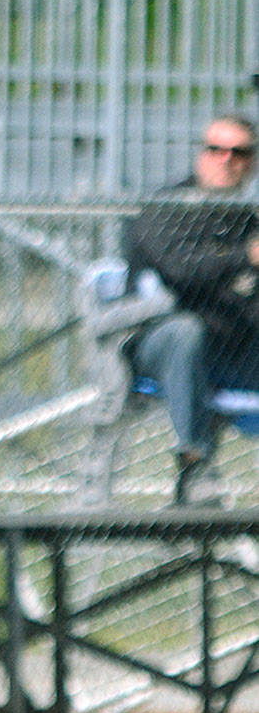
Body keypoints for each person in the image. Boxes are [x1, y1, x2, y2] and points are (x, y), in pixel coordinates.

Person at [123, 114, 259, 505]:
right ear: (201, 154)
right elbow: (181, 271)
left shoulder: (245, 220)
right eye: (216, 149)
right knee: (186, 331)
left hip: (229, 344)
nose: (226, 160)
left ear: (252, 164)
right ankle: (195, 464)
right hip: (155, 343)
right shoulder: (167, 208)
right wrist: (243, 259)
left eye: (239, 152)